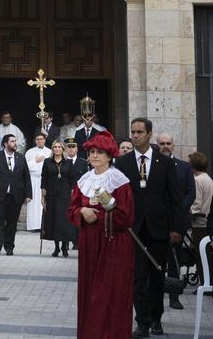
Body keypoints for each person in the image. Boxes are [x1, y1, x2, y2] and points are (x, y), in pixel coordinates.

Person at [114, 117, 183, 338]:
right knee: (137, 277)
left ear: (149, 134)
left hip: (159, 228)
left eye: (139, 132)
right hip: (133, 230)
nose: (135, 136)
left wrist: (177, 229)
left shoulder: (165, 163)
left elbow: (175, 198)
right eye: (133, 132)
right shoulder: (122, 163)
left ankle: (156, 318)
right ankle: (142, 322)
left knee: (156, 276)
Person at [69, 131, 135, 339]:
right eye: (91, 152)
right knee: (90, 292)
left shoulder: (119, 181)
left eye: (100, 152)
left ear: (110, 156)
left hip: (113, 244)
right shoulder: (84, 180)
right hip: (89, 243)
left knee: (110, 292)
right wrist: (82, 211)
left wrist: (97, 217)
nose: (95, 156)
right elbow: (71, 210)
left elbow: (126, 217)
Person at [157, 133, 196, 310]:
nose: (165, 146)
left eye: (168, 143)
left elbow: (190, 192)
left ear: (173, 145)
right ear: (157, 145)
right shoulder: (151, 166)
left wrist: (178, 209)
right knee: (156, 261)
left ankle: (174, 297)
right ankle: (155, 296)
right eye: (162, 143)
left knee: (174, 260)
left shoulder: (184, 167)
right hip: (156, 221)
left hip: (177, 221)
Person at [0, 133, 32, 256]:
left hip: (16, 195)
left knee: (12, 222)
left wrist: (28, 194)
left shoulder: (21, 157)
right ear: (5, 144)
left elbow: (26, 177)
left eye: (15, 141)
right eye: (12, 141)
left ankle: (9, 247)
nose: (15, 143)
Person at [41, 140, 78, 257]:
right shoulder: (47, 162)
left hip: (65, 195)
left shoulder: (68, 162)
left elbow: (73, 180)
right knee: (54, 220)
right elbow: (43, 179)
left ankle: (64, 246)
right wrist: (42, 196)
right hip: (51, 195)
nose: (57, 149)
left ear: (63, 149)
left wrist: (73, 195)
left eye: (59, 147)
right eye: (55, 147)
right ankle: (57, 247)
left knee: (64, 221)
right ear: (52, 149)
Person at [190, 152, 211, 286]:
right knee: (207, 254)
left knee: (201, 254)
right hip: (206, 222)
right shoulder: (208, 179)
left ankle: (205, 283)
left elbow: (196, 205)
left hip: (199, 223)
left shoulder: (198, 180)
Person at [25, 132, 51, 232]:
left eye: (41, 139)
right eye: (38, 139)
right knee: (32, 203)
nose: (40, 141)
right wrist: (35, 161)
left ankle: (43, 226)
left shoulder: (49, 152)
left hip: (45, 180)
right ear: (35, 141)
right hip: (33, 180)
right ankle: (33, 226)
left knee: (42, 203)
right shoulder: (29, 152)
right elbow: (24, 167)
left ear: (45, 140)